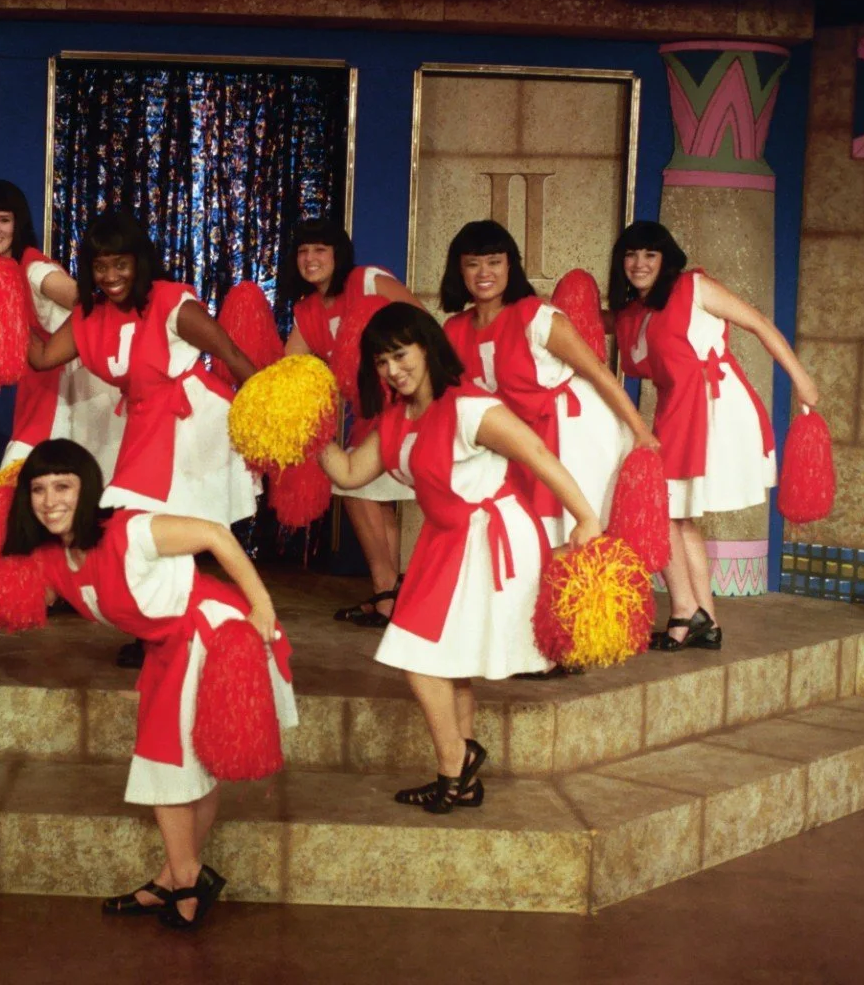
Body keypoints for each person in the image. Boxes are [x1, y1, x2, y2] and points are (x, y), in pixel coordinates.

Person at [1, 438, 297, 928]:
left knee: (164, 763)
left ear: (86, 489)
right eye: (38, 489)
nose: (50, 500)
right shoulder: (53, 557)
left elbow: (214, 535)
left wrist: (262, 607)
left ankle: (189, 880)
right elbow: (16, 591)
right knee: (193, 768)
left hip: (214, 634)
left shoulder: (131, 530)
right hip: (167, 647)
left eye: (62, 486)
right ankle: (172, 878)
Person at [318, 303, 602, 812]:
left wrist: (586, 517)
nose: (392, 370)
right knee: (450, 660)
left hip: (489, 537)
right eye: (381, 361)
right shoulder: (395, 420)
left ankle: (456, 761)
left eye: (400, 355)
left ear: (426, 347)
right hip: (444, 541)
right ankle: (462, 781)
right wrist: (305, 427)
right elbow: (348, 473)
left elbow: (537, 453)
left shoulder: (470, 407)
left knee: (415, 654)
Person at [27, 212, 262, 667]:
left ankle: (173, 629)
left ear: (139, 261)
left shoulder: (172, 302)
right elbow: (41, 357)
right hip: (146, 422)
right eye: (100, 266)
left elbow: (231, 354)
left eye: (121, 263)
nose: (111, 276)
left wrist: (272, 411)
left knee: (143, 521)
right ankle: (164, 628)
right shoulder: (90, 316)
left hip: (195, 421)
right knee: (138, 525)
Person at [610, 221, 819, 650]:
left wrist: (802, 379)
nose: (639, 263)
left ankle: (684, 612)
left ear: (665, 259)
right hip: (676, 409)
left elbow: (759, 323)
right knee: (676, 514)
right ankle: (705, 620)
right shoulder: (634, 315)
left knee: (662, 508)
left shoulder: (693, 287)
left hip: (713, 405)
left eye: (650, 254)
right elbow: (592, 324)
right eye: (631, 254)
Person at [440, 220, 653, 548]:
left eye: (494, 262)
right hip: (514, 439)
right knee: (519, 536)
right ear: (459, 270)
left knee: (575, 537)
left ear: (510, 266)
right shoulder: (454, 330)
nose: (484, 272)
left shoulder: (537, 316)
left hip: (572, 432)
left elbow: (597, 372)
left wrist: (640, 432)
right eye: (472, 264)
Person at [279, 218, 421, 627]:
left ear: (337, 254)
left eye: (320, 250)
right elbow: (289, 369)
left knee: (354, 485)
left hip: (406, 405)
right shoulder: (307, 311)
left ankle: (386, 593)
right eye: (303, 251)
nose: (310, 258)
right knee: (372, 496)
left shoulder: (368, 280)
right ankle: (390, 595)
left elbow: (420, 323)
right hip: (366, 414)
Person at [0, 180, 123, 473]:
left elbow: (92, 304)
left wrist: (57, 351)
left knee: (27, 474)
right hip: (38, 387)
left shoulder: (35, 270)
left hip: (73, 386)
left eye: (4, 220)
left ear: (17, 224)